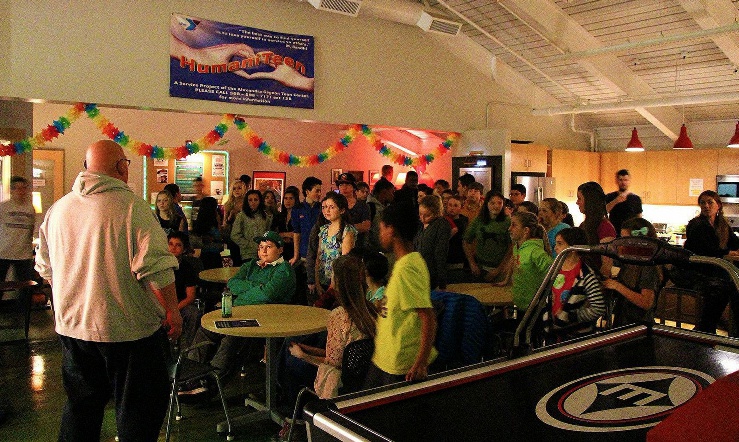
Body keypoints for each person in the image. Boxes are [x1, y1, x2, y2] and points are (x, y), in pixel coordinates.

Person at [35, 140, 182, 442]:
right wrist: (173, 311)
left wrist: (72, 300)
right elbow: (156, 269)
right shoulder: (132, 208)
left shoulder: (58, 210)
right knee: (137, 412)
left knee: (81, 406)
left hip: (73, 329)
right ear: (121, 168)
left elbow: (46, 269)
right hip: (128, 332)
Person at [186, 231, 296, 381]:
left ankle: (210, 382)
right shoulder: (251, 265)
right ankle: (190, 375)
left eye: (268, 247)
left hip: (264, 318)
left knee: (231, 339)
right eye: (261, 247)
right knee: (206, 329)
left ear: (280, 249)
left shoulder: (284, 269)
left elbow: (267, 295)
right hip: (238, 312)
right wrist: (257, 286)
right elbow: (232, 284)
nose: (263, 250)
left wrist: (246, 292)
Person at [363, 201, 437, 388]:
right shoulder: (403, 264)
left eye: (381, 229)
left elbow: (427, 316)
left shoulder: (408, 267)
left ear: (391, 230)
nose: (380, 235)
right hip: (386, 357)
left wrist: (420, 361)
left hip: (401, 362)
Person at [286, 255, 377, 400]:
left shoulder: (339, 316)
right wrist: (307, 349)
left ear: (338, 282)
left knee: (291, 360)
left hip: (340, 384)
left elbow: (332, 364)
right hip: (364, 381)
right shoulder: (372, 311)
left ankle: (294, 411)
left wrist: (303, 355)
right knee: (295, 346)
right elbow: (345, 354)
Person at [682, 190, 739, 334]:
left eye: (710, 202)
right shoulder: (696, 225)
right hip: (698, 270)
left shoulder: (722, 225)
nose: (706, 206)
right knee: (728, 287)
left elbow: (734, 242)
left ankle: (712, 327)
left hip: (716, 269)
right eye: (703, 203)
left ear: (718, 205)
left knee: (733, 285)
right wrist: (726, 252)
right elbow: (703, 249)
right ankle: (708, 327)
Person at [543, 227, 606, 339]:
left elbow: (598, 308)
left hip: (577, 335)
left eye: (560, 244)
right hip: (553, 331)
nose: (555, 247)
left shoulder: (586, 275)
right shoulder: (553, 269)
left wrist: (573, 316)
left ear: (573, 248)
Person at [603, 218, 663, 327]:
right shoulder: (630, 261)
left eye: (626, 239)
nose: (622, 243)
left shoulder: (648, 266)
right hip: (624, 321)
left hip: (639, 326)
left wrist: (617, 286)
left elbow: (646, 302)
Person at [314, 193, 357, 308]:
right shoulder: (323, 229)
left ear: (342, 210)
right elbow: (319, 256)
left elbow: (343, 262)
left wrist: (333, 285)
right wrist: (317, 281)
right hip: (323, 279)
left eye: (331, 207)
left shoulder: (347, 231)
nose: (327, 210)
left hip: (338, 282)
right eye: (325, 207)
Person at [504, 211, 553, 314]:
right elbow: (514, 263)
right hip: (522, 304)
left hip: (535, 307)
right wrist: (506, 280)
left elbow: (552, 271)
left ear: (526, 230)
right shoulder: (518, 247)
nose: (509, 228)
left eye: (514, 225)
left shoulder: (535, 251)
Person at [463, 191, 512, 283]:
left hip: (502, 268)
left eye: (499, 203)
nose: (496, 206)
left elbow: (511, 246)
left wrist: (499, 269)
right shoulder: (478, 220)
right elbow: (466, 240)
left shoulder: (507, 222)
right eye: (492, 203)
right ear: (487, 204)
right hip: (480, 267)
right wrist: (472, 263)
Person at [0, 176, 36, 289]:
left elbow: (31, 229)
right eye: (17, 188)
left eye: (23, 188)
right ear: (12, 190)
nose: (21, 191)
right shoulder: (3, 207)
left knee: (25, 288)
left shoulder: (30, 209)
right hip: (4, 252)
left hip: (23, 254)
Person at [167, 231, 201, 348]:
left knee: (194, 313)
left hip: (180, 304)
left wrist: (174, 310)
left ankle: (188, 348)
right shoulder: (161, 266)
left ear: (184, 248)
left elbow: (191, 296)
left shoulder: (187, 268)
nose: (173, 248)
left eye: (178, 245)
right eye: (170, 244)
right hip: (161, 304)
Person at [576, 181, 616, 277]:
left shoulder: (605, 227)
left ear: (590, 201)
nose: (577, 202)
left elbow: (606, 266)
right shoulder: (583, 225)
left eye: (579, 198)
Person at [414, 195, 451, 290]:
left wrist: (442, 282)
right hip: (419, 272)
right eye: (420, 214)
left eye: (427, 215)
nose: (422, 218)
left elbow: (441, 253)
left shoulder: (441, 225)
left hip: (432, 273)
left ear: (437, 213)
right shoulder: (422, 226)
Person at [232, 189, 273, 261]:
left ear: (260, 201)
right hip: (247, 253)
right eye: (250, 200)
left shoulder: (265, 216)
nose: (253, 202)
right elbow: (234, 235)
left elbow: (267, 232)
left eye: (255, 200)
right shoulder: (241, 216)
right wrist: (249, 244)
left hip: (263, 253)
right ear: (246, 202)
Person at [336, 172, 371, 247]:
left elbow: (366, 226)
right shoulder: (334, 205)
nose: (344, 187)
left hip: (357, 247)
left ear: (353, 187)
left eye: (348, 184)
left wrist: (343, 228)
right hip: (337, 247)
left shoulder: (362, 205)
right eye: (341, 185)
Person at [605, 169, 643, 235]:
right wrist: (616, 201)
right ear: (616, 181)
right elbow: (603, 212)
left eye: (625, 180)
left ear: (629, 181)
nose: (623, 183)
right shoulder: (610, 196)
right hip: (614, 233)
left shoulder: (636, 199)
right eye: (621, 180)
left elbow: (639, 218)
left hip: (631, 234)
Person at [272, 185, 300, 265]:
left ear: (296, 200)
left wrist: (286, 235)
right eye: (285, 198)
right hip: (281, 249)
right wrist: (285, 235)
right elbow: (274, 232)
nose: (288, 201)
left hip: (295, 249)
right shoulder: (279, 216)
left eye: (291, 198)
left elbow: (298, 234)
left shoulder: (299, 215)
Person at [366, 178, 394, 253]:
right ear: (384, 192)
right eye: (392, 192)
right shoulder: (370, 207)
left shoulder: (388, 207)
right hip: (374, 251)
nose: (393, 195)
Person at [221, 179, 246, 265]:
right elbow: (224, 223)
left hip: (245, 234)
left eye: (239, 188)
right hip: (232, 234)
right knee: (234, 259)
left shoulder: (247, 204)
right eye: (234, 188)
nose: (237, 191)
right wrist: (231, 216)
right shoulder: (228, 204)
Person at [445, 194, 469, 282]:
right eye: (450, 205)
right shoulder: (444, 220)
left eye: (455, 206)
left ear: (461, 208)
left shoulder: (461, 223)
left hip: (456, 259)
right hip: (445, 258)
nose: (452, 208)